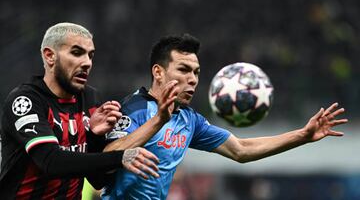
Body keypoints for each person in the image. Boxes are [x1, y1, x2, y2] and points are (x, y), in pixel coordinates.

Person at [101, 33, 348, 199]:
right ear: (158, 72)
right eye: (184, 70)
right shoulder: (136, 108)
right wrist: (158, 122)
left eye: (196, 72)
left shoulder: (189, 120)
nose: (192, 79)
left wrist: (302, 135)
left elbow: (240, 149)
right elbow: (106, 158)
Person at [0, 22, 161, 199]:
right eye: (77, 53)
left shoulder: (90, 99)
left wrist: (94, 135)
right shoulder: (26, 100)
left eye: (90, 55)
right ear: (49, 56)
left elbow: (98, 180)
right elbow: (50, 162)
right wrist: (120, 157)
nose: (87, 63)